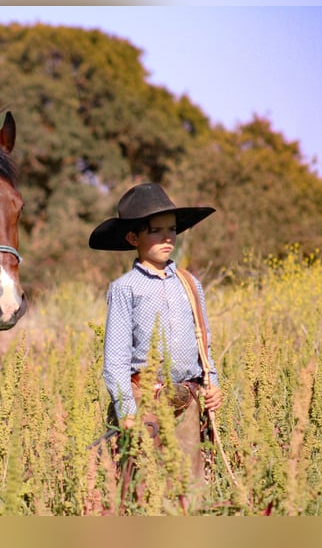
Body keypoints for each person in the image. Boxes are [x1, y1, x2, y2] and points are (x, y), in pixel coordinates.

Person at [89, 182, 222, 483]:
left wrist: (212, 385)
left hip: (188, 400)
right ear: (133, 237)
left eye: (172, 229)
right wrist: (126, 411)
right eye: (155, 230)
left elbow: (205, 344)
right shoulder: (125, 288)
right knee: (143, 485)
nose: (167, 237)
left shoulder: (190, 283)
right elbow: (116, 360)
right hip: (144, 402)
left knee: (192, 486)